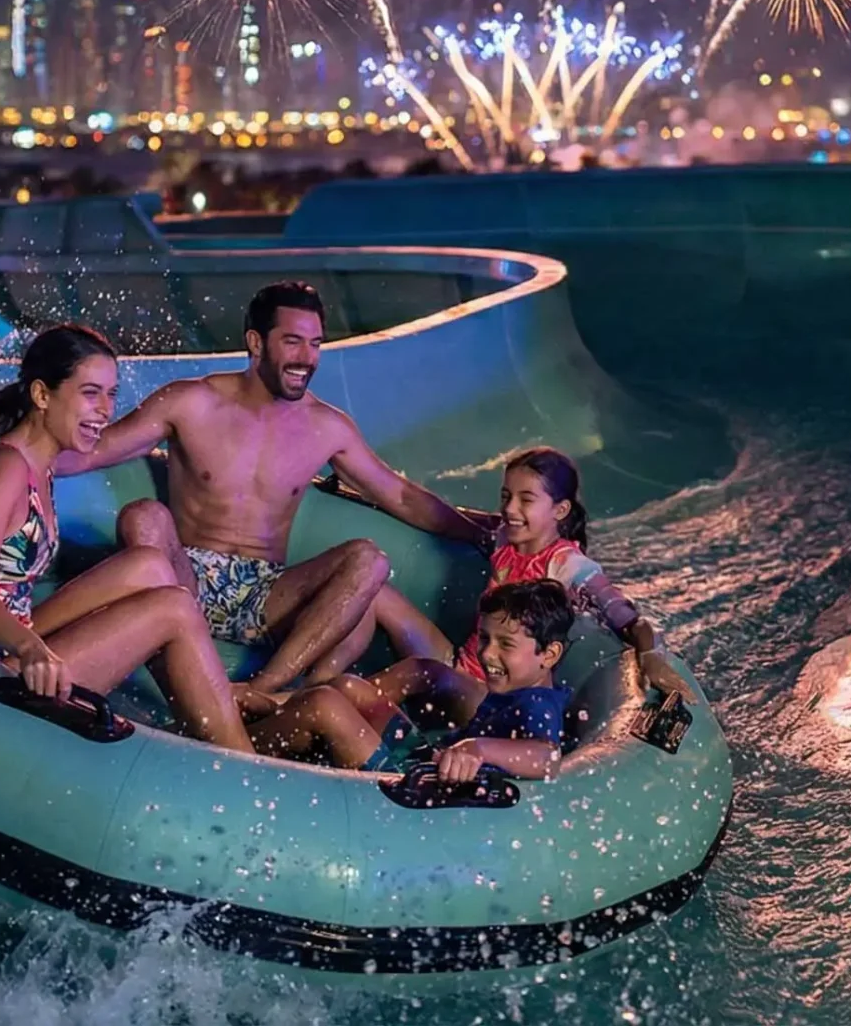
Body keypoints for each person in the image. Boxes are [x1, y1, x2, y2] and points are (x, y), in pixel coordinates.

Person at [60, 281, 484, 696]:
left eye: (316, 344)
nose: (307, 358)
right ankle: (184, 664)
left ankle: (263, 690)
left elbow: (401, 495)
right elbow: (96, 451)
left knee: (369, 561)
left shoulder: (326, 426)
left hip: (266, 595)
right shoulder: (190, 402)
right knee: (143, 516)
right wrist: (12, 457)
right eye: (293, 342)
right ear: (256, 342)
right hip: (182, 577)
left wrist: (478, 533)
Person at [0, 324, 251, 750]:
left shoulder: (37, 461)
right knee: (173, 607)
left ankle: (209, 702)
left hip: (9, 633)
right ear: (43, 396)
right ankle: (243, 759)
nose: (105, 410)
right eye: (90, 393)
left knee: (151, 565)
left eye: (111, 394)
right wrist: (32, 650)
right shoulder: (7, 467)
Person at [381, 446, 688, 699]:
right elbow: (458, 519)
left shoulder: (568, 566)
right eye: (505, 497)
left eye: (525, 500)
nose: (510, 509)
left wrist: (650, 658)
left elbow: (631, 620)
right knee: (377, 594)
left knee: (420, 673)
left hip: (496, 695)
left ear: (560, 510)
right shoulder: (505, 538)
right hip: (464, 665)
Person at [248, 579, 576, 780]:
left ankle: (233, 749)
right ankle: (271, 721)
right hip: (423, 757)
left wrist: (477, 749)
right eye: (485, 639)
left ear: (549, 654)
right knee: (348, 687)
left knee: (324, 705)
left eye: (505, 644)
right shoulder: (515, 691)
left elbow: (546, 758)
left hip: (408, 789)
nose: (488, 654)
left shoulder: (537, 704)